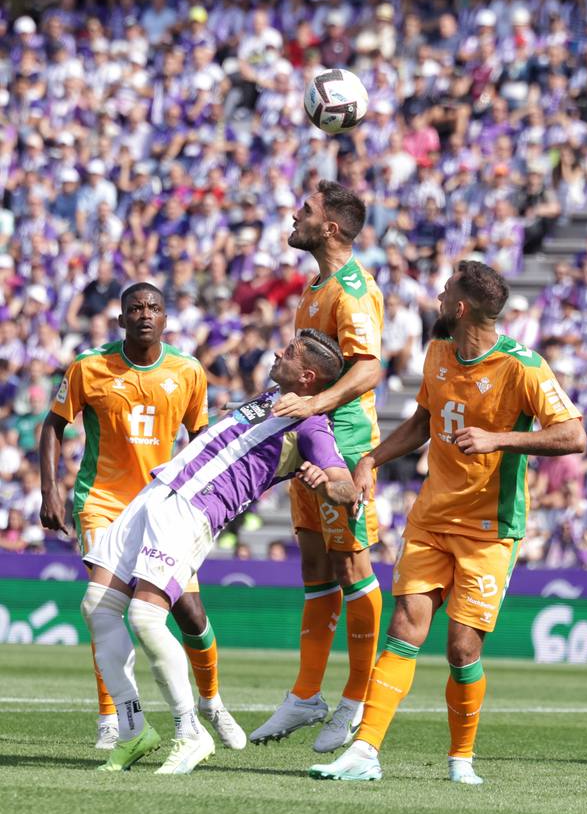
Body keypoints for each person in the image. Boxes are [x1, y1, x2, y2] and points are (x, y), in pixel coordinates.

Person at [309, 260, 586, 783]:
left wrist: (499, 438)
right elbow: (420, 423)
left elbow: (574, 436)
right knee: (405, 627)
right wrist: (371, 459)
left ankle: (461, 759)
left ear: (460, 309)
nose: (436, 298)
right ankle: (364, 751)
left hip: (490, 532)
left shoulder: (524, 367)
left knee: (462, 646)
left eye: (444, 294)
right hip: (431, 519)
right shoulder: (438, 352)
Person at [80, 329, 358, 774]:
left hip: (195, 508)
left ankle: (189, 732)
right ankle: (133, 731)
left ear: (307, 376)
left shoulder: (311, 425)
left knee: (145, 617)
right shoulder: (275, 395)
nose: (275, 352)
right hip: (160, 489)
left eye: (287, 353)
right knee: (97, 606)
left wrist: (330, 484)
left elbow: (344, 483)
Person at [39, 282, 246, 752]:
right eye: (135, 308)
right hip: (104, 501)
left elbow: (200, 441)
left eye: (154, 307)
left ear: (166, 318)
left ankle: (212, 702)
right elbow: (52, 425)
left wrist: (203, 507)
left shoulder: (189, 371)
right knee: (104, 606)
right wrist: (50, 490)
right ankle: (113, 716)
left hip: (163, 504)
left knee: (191, 613)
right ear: (121, 320)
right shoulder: (89, 366)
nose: (145, 314)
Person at [250, 180, 384, 753]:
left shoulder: (352, 292)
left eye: (305, 210)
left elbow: (369, 369)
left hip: (344, 448)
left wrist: (315, 404)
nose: (295, 214)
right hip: (310, 439)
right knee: (314, 562)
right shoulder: (315, 288)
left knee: (352, 566)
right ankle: (307, 694)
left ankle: (356, 700)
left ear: (330, 226)